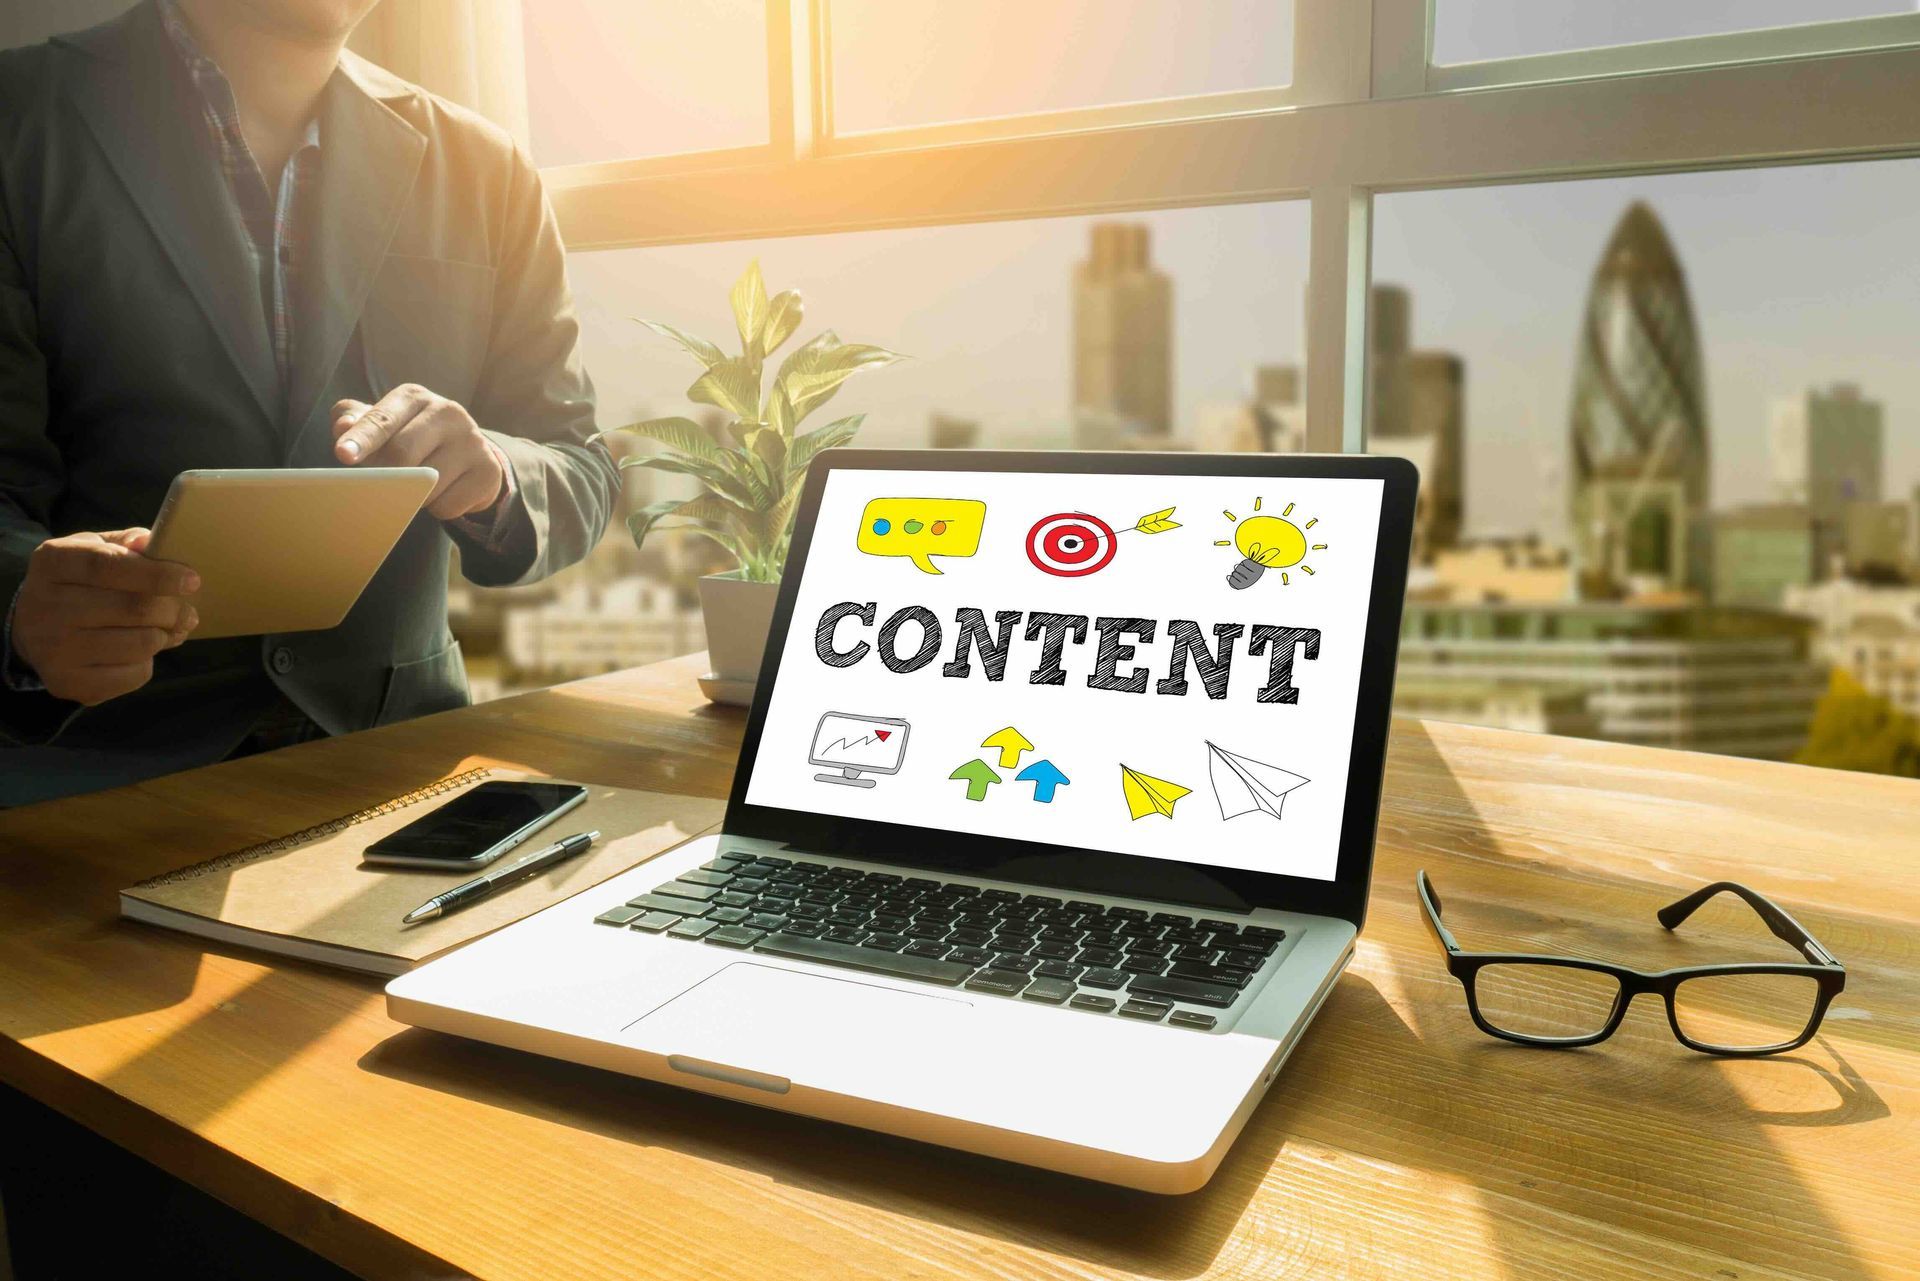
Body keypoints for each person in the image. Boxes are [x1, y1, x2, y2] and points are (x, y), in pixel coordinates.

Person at [0, 0, 619, 806]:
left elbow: (579, 464)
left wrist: (495, 475)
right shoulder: (20, 122)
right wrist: (20, 606)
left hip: (404, 775)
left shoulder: (487, 168)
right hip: (90, 784)